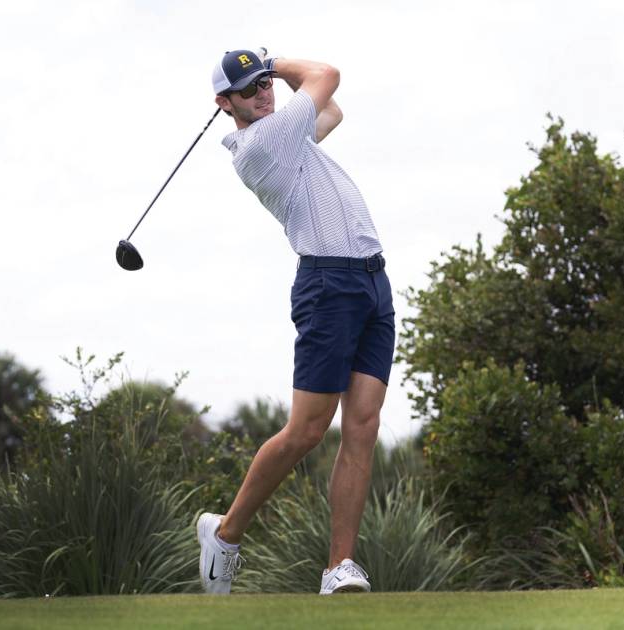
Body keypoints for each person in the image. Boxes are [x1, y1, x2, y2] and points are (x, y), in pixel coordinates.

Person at [197, 49, 395, 596]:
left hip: (373, 284)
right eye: (249, 88)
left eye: (265, 83)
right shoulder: (263, 144)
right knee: (308, 428)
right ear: (224, 104)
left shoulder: (290, 137)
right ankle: (226, 534)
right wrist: (277, 59)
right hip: (329, 285)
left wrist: (272, 74)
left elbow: (332, 110)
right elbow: (327, 77)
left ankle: (340, 568)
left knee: (363, 426)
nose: (264, 92)